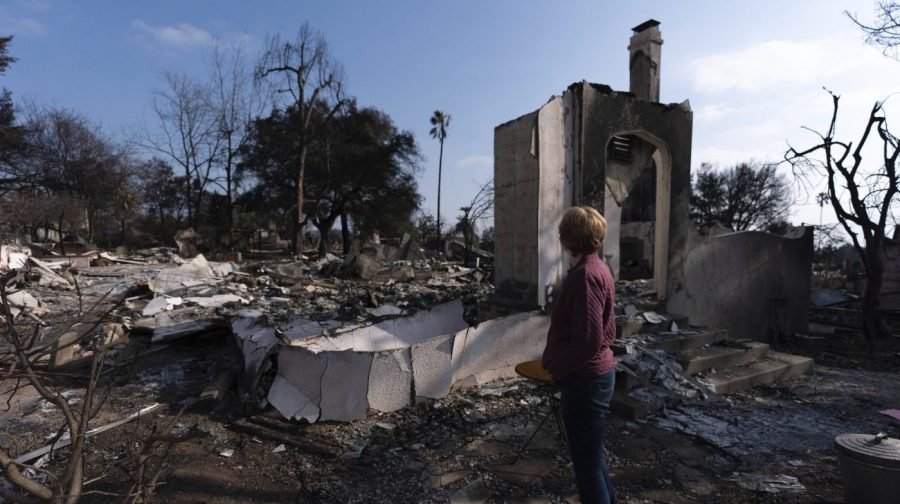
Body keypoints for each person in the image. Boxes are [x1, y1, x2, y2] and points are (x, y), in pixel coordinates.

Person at [541, 205, 617, 504]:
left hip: (585, 381)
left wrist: (556, 368)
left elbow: (588, 341)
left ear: (567, 239)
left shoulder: (586, 275)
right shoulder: (596, 268)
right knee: (593, 458)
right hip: (594, 377)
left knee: (586, 466)